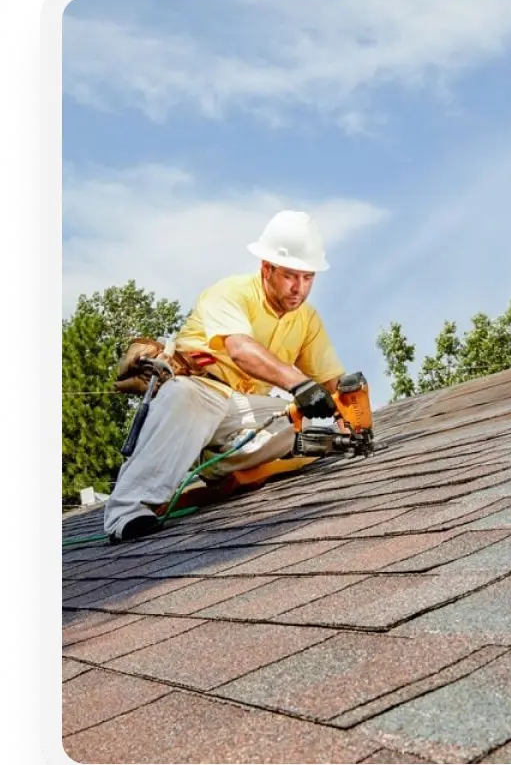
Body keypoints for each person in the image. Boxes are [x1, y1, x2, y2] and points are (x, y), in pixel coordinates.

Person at [103, 211, 346, 544]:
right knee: (186, 399)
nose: (299, 289)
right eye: (291, 276)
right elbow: (240, 349)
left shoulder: (307, 319)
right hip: (200, 387)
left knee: (296, 421)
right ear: (267, 268)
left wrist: (353, 420)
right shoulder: (230, 292)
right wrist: (299, 384)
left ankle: (219, 466)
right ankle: (126, 512)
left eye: (308, 278)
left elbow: (333, 381)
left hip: (241, 406)